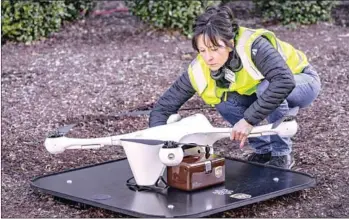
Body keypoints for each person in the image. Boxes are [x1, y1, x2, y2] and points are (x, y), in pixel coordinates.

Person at [148, 5, 321, 169]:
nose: (209, 57)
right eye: (203, 50)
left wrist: (247, 121)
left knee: (266, 87)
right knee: (223, 101)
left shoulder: (253, 46)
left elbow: (284, 81)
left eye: (215, 49)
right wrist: (160, 145)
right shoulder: (199, 68)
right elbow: (163, 108)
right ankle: (264, 150)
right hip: (262, 90)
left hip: (302, 81)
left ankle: (281, 153)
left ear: (230, 42)